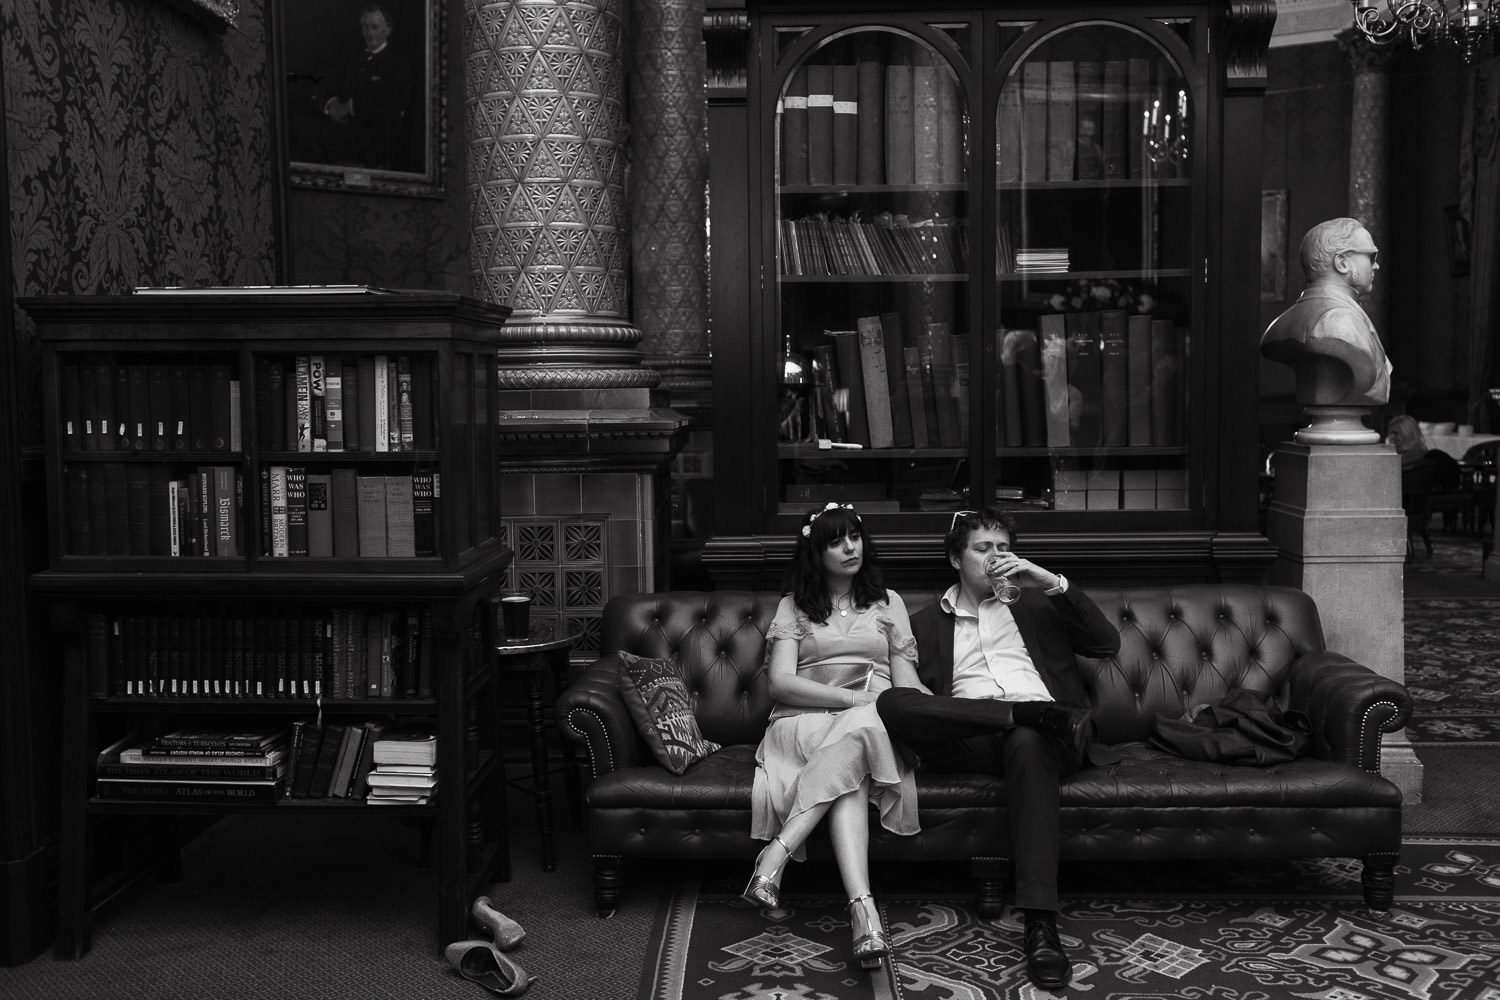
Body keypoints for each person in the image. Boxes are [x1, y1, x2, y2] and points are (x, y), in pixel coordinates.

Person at [875, 509, 1120, 991]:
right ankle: (1024, 714)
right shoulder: (923, 624)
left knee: (1029, 737)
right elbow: (911, 707)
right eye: (982, 548)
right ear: (954, 557)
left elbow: (1106, 644)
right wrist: (1007, 714)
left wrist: (1049, 581)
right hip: (971, 740)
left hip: (1051, 737)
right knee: (892, 702)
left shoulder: (1038, 604)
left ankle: (1041, 925)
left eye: (1003, 548)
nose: (995, 558)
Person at [745, 502, 924, 970]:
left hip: (871, 726)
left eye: (855, 537)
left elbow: (904, 685)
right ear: (814, 552)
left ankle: (778, 860)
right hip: (802, 722)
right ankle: (862, 913)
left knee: (858, 748)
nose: (849, 548)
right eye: (835, 541)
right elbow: (780, 684)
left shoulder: (889, 602)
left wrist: (944, 709)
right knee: (862, 735)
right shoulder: (794, 606)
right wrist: (855, 702)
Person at [1260, 217, 1391, 408]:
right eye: (1371, 257)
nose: (1376, 266)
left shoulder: (1279, 325)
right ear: (1342, 263)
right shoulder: (1338, 322)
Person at [321, 3, 414, 170]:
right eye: (365, 27)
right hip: (342, 129)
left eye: (375, 27)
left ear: (388, 29)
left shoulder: (398, 64)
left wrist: (350, 106)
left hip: (374, 136)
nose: (369, 33)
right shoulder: (352, 57)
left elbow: (391, 102)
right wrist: (332, 103)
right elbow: (330, 83)